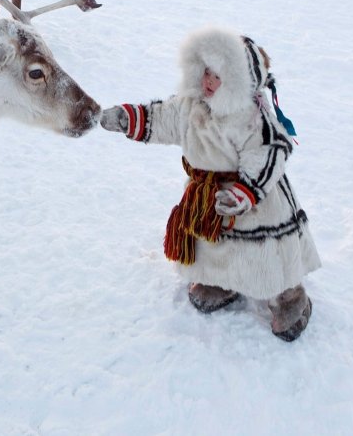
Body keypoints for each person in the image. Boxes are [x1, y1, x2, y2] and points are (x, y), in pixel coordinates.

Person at [99, 26, 321, 341]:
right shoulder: (190, 105)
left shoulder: (252, 117)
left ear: (237, 79)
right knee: (215, 245)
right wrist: (129, 119)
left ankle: (290, 298)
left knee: (266, 255)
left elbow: (270, 154)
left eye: (217, 75)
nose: (207, 81)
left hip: (258, 201)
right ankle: (221, 282)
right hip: (208, 198)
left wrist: (246, 192)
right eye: (205, 72)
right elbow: (162, 117)